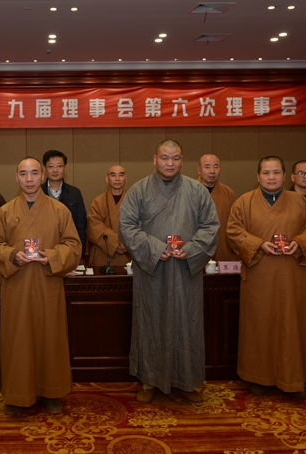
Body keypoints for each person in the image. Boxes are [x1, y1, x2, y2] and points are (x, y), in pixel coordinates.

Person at [119, 140, 219, 404]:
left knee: (187, 324)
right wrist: (154, 248)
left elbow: (211, 226)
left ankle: (186, 381)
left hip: (186, 271)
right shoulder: (139, 190)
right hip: (151, 271)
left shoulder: (197, 191)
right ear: (155, 159)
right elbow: (127, 226)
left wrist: (192, 249)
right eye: (165, 158)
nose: (170, 163)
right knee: (150, 323)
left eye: (175, 158)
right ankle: (149, 380)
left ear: (182, 160)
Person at [0, 157, 82, 413]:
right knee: (17, 340)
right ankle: (16, 394)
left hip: (47, 285)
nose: (29, 179)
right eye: (24, 174)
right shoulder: (5, 211)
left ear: (43, 176)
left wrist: (51, 256)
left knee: (49, 338)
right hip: (16, 284)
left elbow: (74, 246)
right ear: (16, 177)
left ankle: (50, 391)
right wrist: (11, 255)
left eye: (34, 173)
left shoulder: (60, 210)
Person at [227, 156, 306, 400]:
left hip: (292, 276)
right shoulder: (244, 202)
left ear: (285, 176)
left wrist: (299, 243)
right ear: (258, 176)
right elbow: (233, 232)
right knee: (259, 324)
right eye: (266, 172)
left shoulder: (299, 201)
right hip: (259, 275)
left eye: (276, 172)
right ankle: (259, 377)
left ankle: (294, 378)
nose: (271, 177)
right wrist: (259, 244)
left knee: (293, 324)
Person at [41, 150, 87, 263]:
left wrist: (80, 255)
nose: (55, 170)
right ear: (45, 169)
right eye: (51, 166)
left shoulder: (75, 193)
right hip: (43, 250)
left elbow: (81, 227)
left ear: (65, 168)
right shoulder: (38, 192)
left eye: (59, 166)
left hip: (68, 250)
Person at [87, 165, 131, 268]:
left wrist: (125, 244)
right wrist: (116, 244)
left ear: (126, 178)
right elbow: (94, 227)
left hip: (128, 253)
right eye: (113, 175)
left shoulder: (134, 201)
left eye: (121, 175)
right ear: (107, 179)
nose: (117, 179)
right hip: (103, 254)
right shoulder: (98, 202)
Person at [197, 154, 238, 262]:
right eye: (207, 167)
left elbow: (235, 225)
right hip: (197, 249)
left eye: (216, 167)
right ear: (199, 170)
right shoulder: (189, 191)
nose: (212, 171)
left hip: (222, 249)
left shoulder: (228, 193)